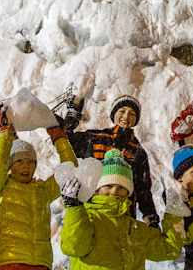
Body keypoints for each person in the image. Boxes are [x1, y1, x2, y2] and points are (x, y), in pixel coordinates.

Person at [58, 149, 184, 269]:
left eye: (121, 187)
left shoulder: (135, 228)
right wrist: (73, 208)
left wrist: (174, 210)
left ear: (128, 192)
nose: (114, 191)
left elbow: (169, 249)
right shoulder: (88, 219)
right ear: (97, 189)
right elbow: (74, 247)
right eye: (109, 186)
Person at [0, 103, 77, 270]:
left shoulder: (43, 190)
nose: (25, 166)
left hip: (40, 263)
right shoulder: (0, 186)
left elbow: (70, 170)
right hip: (6, 261)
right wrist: (5, 132)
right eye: (19, 161)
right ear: (10, 165)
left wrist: (59, 137)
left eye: (30, 162)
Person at [64, 94, 159, 226]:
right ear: (114, 114)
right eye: (122, 111)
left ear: (136, 120)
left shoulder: (138, 152)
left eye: (132, 114)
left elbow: (143, 189)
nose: (126, 116)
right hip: (91, 210)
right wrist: (71, 118)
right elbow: (65, 142)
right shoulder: (95, 137)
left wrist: (150, 217)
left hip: (123, 215)